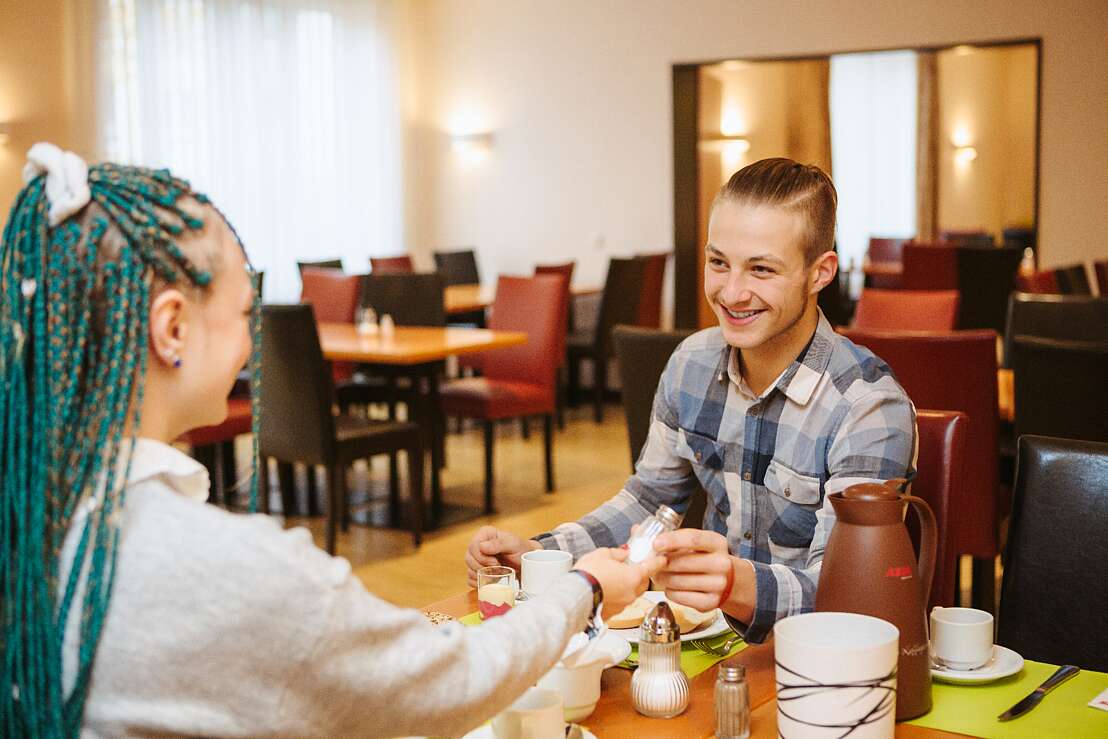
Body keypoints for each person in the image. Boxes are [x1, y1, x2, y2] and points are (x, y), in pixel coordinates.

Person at [0, 143, 664, 737]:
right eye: (243, 314)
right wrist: (584, 585)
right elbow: (452, 683)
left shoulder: (30, 510)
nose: (250, 339)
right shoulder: (222, 565)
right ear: (171, 328)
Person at [466, 158, 916, 644]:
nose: (731, 292)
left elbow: (849, 599)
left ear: (819, 273)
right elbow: (649, 501)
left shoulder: (868, 407)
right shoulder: (692, 364)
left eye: (761, 269)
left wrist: (733, 583)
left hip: (820, 666)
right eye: (718, 262)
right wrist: (542, 552)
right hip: (711, 649)